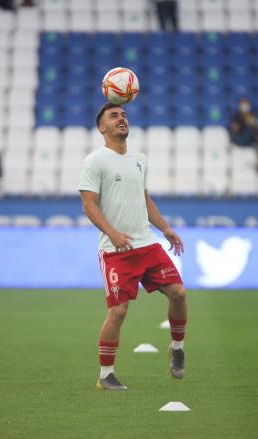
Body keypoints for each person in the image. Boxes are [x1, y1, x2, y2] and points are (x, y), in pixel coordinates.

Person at [78, 103, 187, 391]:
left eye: (124, 115)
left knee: (178, 293)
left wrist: (165, 228)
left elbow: (144, 199)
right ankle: (105, 375)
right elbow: (88, 204)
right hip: (116, 250)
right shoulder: (95, 161)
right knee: (118, 312)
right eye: (114, 116)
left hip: (147, 244)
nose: (121, 119)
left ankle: (177, 347)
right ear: (102, 127)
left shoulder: (140, 159)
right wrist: (112, 233)